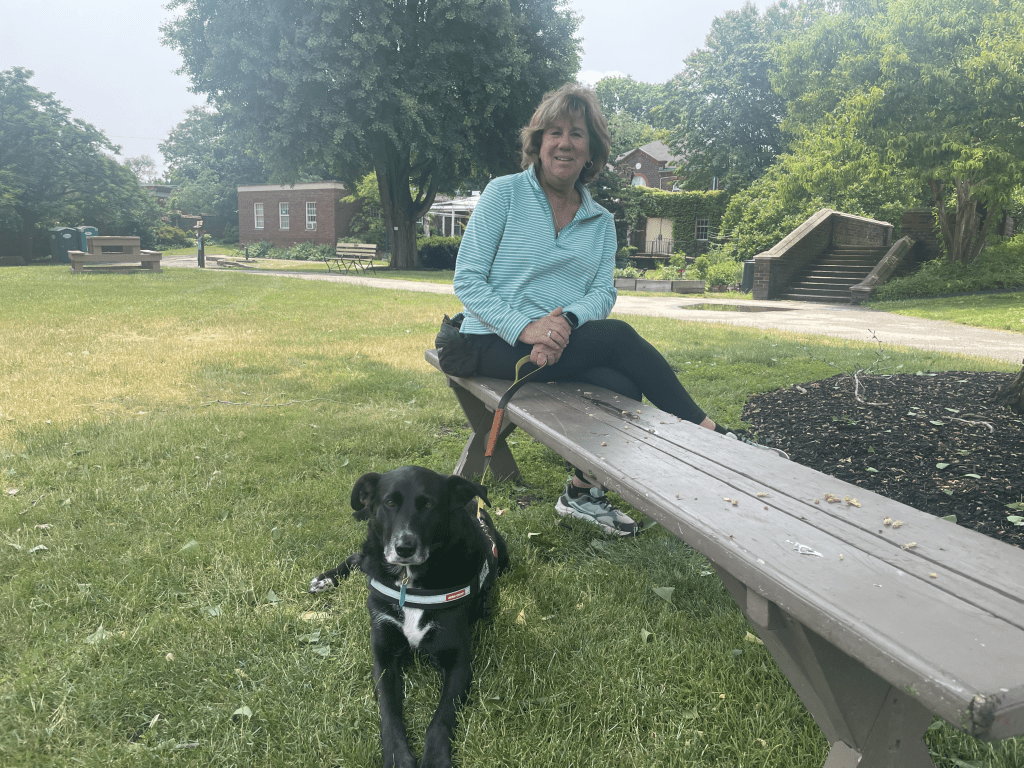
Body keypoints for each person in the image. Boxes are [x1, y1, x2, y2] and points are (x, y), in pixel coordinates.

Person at [453, 83, 740, 536]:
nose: (564, 143)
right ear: (538, 143)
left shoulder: (600, 220)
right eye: (555, 132)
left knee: (622, 384)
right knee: (620, 337)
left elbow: (602, 293)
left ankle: (582, 492)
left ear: (592, 151)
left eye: (577, 134)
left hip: (560, 345)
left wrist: (562, 324)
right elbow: (468, 279)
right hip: (489, 340)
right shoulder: (503, 194)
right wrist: (527, 328)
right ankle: (711, 435)